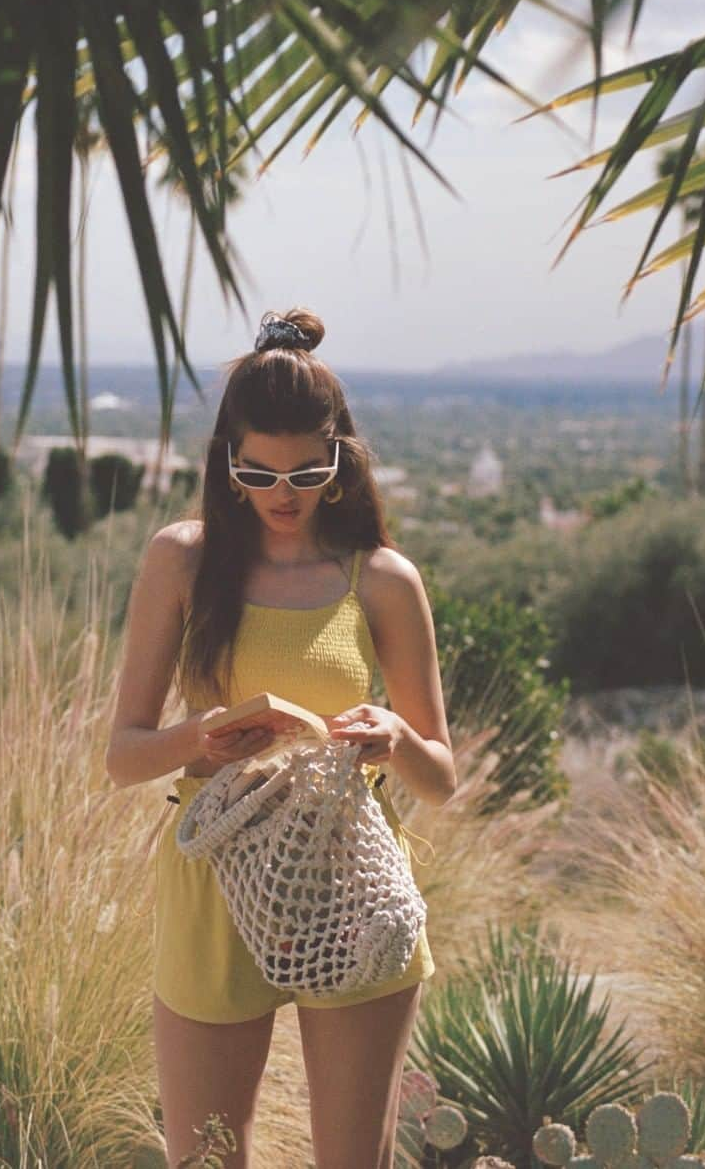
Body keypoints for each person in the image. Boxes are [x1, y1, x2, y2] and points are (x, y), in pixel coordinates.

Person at [107, 307, 456, 1169]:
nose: (283, 494)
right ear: (227, 463)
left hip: (353, 877)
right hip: (212, 879)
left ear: (342, 458)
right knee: (206, 1157)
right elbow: (121, 755)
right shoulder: (180, 561)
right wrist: (200, 739)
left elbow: (442, 775)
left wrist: (392, 735)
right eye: (258, 472)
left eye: (307, 470)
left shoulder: (381, 576)